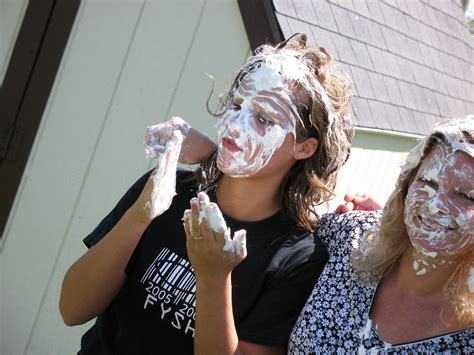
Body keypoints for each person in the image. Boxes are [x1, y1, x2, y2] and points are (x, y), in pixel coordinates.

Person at [59, 33, 354, 354]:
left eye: (264, 118)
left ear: (304, 147)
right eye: (239, 104)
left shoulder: (298, 259)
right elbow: (72, 310)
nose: (236, 124)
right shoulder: (168, 189)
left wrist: (214, 277)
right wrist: (137, 218)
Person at [288, 116, 474, 353]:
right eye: (428, 181)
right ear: (406, 187)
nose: (435, 203)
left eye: (466, 196)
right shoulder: (353, 236)